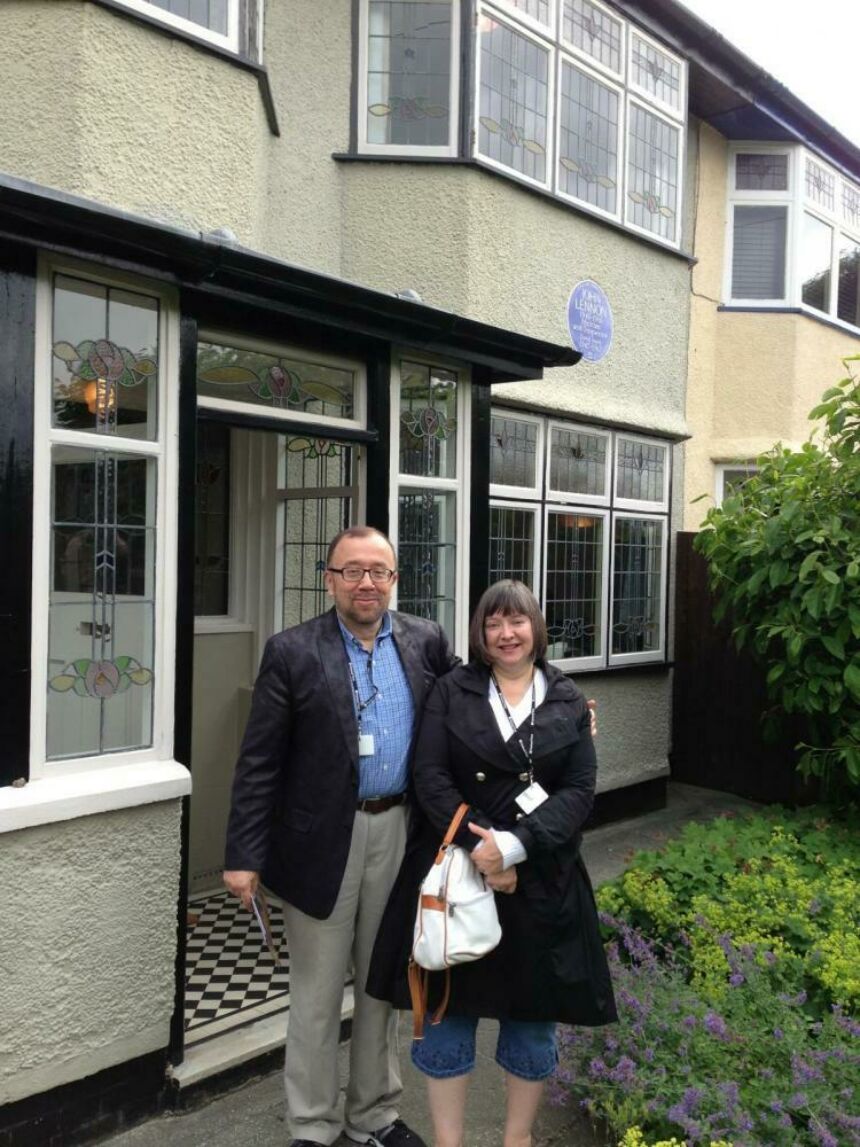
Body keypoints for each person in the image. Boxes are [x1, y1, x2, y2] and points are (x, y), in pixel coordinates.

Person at [223, 526, 458, 1147]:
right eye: (351, 571)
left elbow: (473, 702)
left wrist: (554, 704)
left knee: (381, 983)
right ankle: (313, 1125)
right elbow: (260, 762)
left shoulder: (425, 641)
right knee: (319, 993)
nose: (366, 583)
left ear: (395, 580)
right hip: (319, 841)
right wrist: (243, 855)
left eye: (378, 571)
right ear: (330, 579)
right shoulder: (293, 651)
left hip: (400, 832)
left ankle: (374, 1115)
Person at [367, 579, 617, 1147]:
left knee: (531, 1023)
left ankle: (517, 1140)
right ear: (479, 634)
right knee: (447, 1022)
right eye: (493, 624)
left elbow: (579, 790)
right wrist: (481, 851)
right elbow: (429, 775)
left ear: (536, 627)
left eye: (517, 621)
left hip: (541, 881)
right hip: (456, 874)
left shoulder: (568, 698)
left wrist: (514, 848)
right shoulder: (452, 690)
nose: (506, 634)